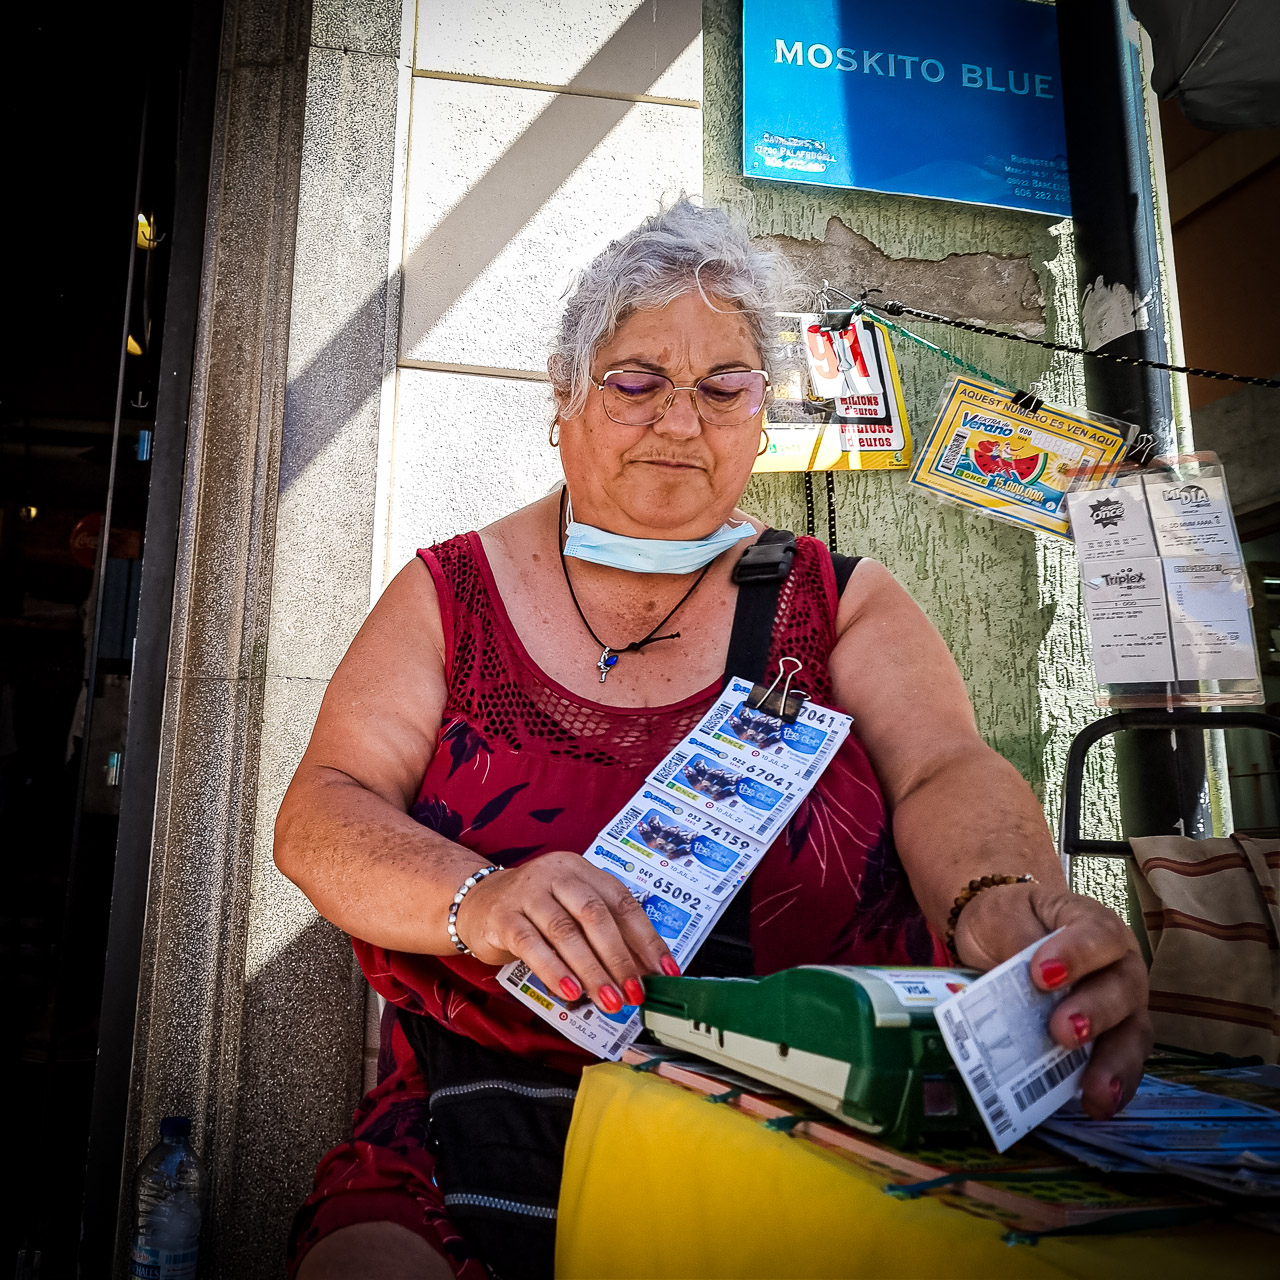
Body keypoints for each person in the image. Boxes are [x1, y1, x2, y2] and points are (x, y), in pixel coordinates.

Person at [275, 200, 1150, 1280]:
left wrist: (996, 897)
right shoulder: (447, 593)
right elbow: (325, 806)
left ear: (759, 411)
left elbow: (941, 769)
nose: (679, 421)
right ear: (563, 391)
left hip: (803, 1125)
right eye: (635, 380)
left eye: (722, 386)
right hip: (480, 1123)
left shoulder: (839, 602)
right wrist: (482, 897)